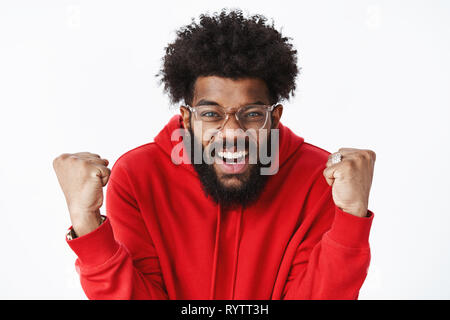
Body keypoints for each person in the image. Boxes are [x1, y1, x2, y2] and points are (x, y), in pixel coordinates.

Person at [53, 9, 376, 300]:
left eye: (251, 114)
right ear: (186, 118)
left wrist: (350, 216)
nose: (232, 132)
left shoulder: (319, 177)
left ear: (274, 118)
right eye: (211, 114)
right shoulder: (138, 176)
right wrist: (86, 223)